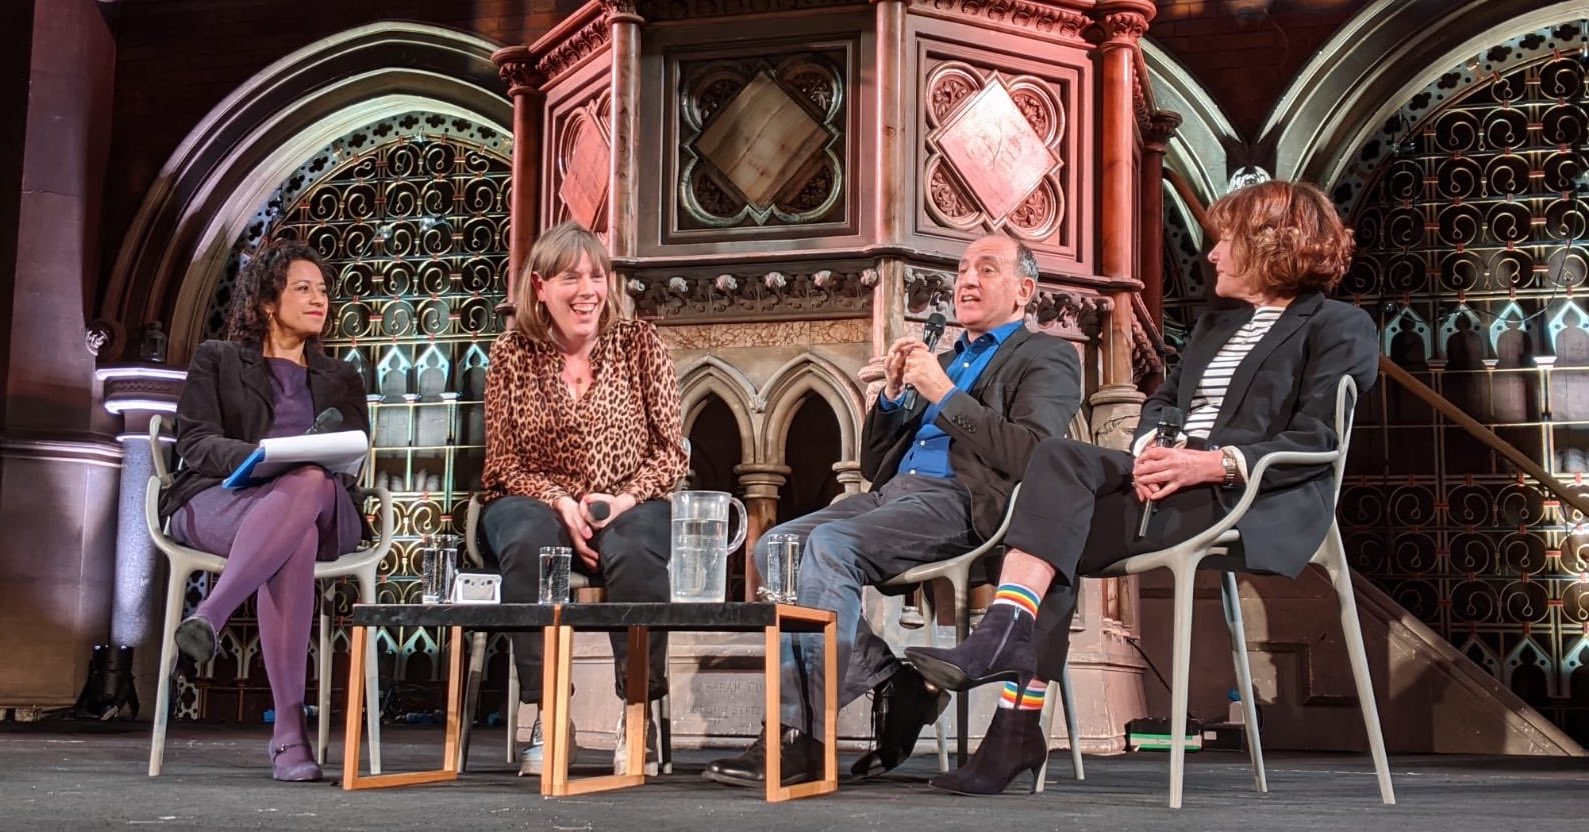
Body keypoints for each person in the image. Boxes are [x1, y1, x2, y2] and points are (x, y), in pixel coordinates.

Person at [906, 179, 1380, 794]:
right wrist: (1150, 447)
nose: (1212, 255)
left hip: (1240, 493)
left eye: (1226, 241)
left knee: (1051, 537)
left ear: (1274, 245)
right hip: (1164, 477)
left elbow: (1319, 437)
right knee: (1054, 472)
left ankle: (1012, 721)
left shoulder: (1340, 326)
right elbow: (1162, 402)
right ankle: (1009, 663)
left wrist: (1213, 464)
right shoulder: (1214, 327)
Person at [704, 234, 1083, 788]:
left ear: (1024, 290)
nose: (967, 281)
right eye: (962, 270)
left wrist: (944, 392)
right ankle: (891, 678)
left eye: (986, 269)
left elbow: (1032, 454)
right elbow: (878, 462)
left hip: (963, 501)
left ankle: (802, 735)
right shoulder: (949, 358)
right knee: (776, 547)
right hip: (894, 493)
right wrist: (893, 398)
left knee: (832, 548)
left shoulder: (1046, 356)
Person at [478, 221, 688, 776]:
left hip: (628, 500)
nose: (589, 290)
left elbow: (672, 452)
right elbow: (501, 463)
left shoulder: (638, 342)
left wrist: (622, 501)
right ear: (541, 287)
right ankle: (550, 713)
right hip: (531, 498)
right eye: (572, 277)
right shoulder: (510, 354)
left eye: (597, 275)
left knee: (637, 551)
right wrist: (559, 503)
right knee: (527, 542)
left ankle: (636, 712)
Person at [161, 239, 369, 782]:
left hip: (317, 502)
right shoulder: (218, 359)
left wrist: (299, 461)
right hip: (222, 499)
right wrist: (259, 457)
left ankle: (212, 613)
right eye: (303, 288)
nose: (318, 299)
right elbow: (196, 442)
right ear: (267, 303)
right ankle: (289, 736)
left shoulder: (340, 377)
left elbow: (353, 455)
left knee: (307, 479)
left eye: (323, 290)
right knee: (292, 534)